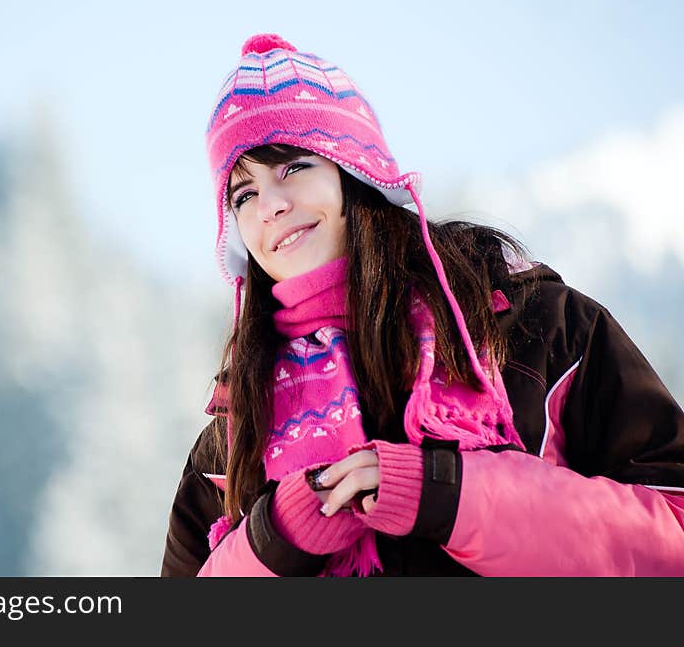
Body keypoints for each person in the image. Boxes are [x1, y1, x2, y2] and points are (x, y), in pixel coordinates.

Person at [160, 33, 684, 576]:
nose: (270, 205)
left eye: (293, 166)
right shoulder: (234, 439)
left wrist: (447, 498)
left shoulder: (539, 332)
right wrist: (273, 539)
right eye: (243, 195)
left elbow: (673, 538)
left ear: (355, 173)